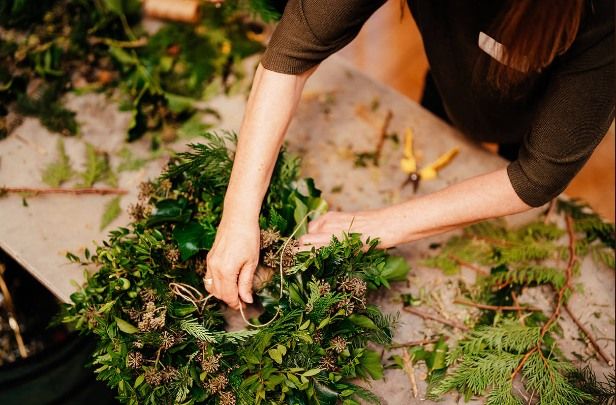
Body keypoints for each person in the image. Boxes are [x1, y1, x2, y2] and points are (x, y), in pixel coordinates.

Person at [204, 0, 614, 309]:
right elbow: (292, 50)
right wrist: (239, 212)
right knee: (442, 108)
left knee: (510, 169)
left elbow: (536, 175)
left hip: (532, 118)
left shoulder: (602, 15)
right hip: (453, 81)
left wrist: (384, 225)